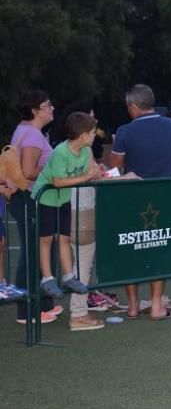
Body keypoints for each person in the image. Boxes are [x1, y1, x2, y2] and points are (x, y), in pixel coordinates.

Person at [108, 84, 171, 320]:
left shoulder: (125, 131)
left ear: (133, 106)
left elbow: (115, 164)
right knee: (159, 246)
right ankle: (155, 305)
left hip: (132, 196)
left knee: (131, 248)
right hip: (164, 194)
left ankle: (132, 306)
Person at [32, 111, 100, 303]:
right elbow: (58, 181)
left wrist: (95, 173)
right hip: (45, 198)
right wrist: (87, 176)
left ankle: (69, 276)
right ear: (84, 135)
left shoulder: (86, 151)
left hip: (63, 199)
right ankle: (47, 278)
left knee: (64, 237)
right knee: (46, 240)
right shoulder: (61, 152)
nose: (96, 136)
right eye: (93, 132)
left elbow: (90, 171)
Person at [10, 90, 61, 325]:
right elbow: (29, 171)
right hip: (28, 198)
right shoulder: (31, 135)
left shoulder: (28, 131)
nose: (51, 108)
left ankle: (41, 303)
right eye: (47, 104)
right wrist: (54, 172)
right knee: (32, 252)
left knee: (40, 249)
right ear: (34, 110)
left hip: (29, 198)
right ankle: (27, 310)